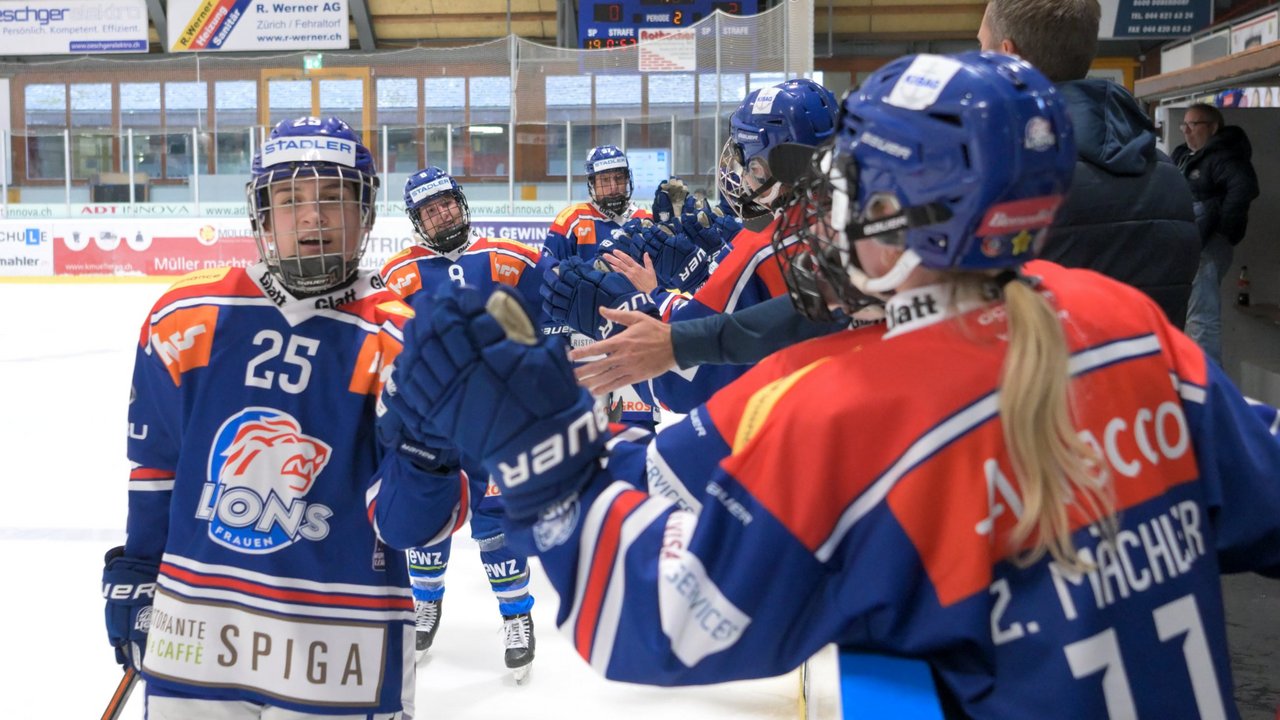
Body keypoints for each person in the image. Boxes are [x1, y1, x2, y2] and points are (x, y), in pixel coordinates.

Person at [388, 52, 1280, 717]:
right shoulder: (1125, 326)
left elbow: (653, 619)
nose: (826, 212)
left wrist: (551, 465)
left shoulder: (853, 411)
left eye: (849, 186)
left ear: (906, 213)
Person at [101, 116, 469, 718]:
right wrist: (142, 567)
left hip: (341, 647)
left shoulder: (404, 338)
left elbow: (408, 530)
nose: (313, 217)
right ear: (262, 214)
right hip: (194, 631)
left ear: (365, 211)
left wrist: (430, 459)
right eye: (290, 199)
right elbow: (159, 467)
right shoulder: (185, 317)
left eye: (333, 197)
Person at [547, 78, 843, 413]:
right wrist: (700, 270)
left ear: (777, 165)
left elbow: (680, 387)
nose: (742, 173)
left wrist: (627, 308)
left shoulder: (761, 249)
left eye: (748, 160)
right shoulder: (850, 232)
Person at [378, 166, 559, 680]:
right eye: (429, 211)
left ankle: (516, 617)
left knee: (498, 522)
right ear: (417, 220)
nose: (442, 215)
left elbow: (556, 319)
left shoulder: (511, 259)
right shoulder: (396, 275)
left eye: (447, 204)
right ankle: (426, 603)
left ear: (461, 202)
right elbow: (382, 345)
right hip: (429, 424)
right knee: (426, 522)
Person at [980, 0, 1200, 330]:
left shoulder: (1009, 180)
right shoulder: (1169, 177)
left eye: (982, 47)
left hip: (1040, 380)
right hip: (1147, 377)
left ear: (1009, 57)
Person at [541, 144, 660, 427]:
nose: (613, 186)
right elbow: (548, 277)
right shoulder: (571, 220)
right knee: (585, 430)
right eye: (604, 180)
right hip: (585, 337)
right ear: (592, 184)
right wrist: (554, 336)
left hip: (635, 334)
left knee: (635, 425)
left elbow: (659, 278)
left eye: (618, 178)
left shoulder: (644, 220)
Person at [1171, 102, 1261, 364]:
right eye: (1184, 125)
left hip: (1208, 245)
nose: (1186, 131)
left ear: (1213, 127)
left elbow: (1243, 188)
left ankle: (1207, 388)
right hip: (1187, 243)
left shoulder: (1223, 156)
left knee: (1201, 320)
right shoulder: (1182, 156)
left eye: (1193, 125)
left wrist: (1223, 232)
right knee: (1190, 317)